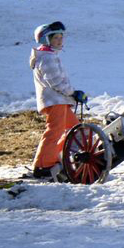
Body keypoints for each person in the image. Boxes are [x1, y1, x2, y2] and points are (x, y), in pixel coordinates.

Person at [30, 21, 87, 181]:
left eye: (61, 37)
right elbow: (55, 82)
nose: (60, 41)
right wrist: (73, 93)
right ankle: (43, 165)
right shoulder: (47, 58)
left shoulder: (50, 56)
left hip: (60, 100)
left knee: (75, 129)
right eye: (55, 38)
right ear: (45, 40)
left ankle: (59, 156)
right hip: (54, 101)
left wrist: (71, 94)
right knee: (55, 130)